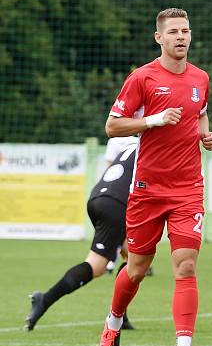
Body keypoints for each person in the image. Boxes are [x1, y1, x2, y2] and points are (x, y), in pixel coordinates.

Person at [98, 7, 212, 346]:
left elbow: (199, 113)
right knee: (136, 268)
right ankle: (113, 322)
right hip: (148, 189)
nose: (181, 37)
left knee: (186, 265)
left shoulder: (201, 77)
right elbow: (112, 126)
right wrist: (152, 120)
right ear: (159, 38)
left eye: (186, 30)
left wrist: (204, 134)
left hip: (188, 189)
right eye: (174, 32)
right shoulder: (142, 78)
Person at [26, 141, 139, 331]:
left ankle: (121, 316)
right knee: (98, 265)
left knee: (131, 255)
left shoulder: (133, 144)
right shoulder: (155, 147)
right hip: (117, 205)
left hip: (98, 198)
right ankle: (44, 299)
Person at [102, 136, 153, 277]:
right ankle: (136, 262)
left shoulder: (115, 141)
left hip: (118, 191)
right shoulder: (141, 139)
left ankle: (117, 262)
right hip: (140, 190)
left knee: (119, 229)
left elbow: (110, 168)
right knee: (129, 229)